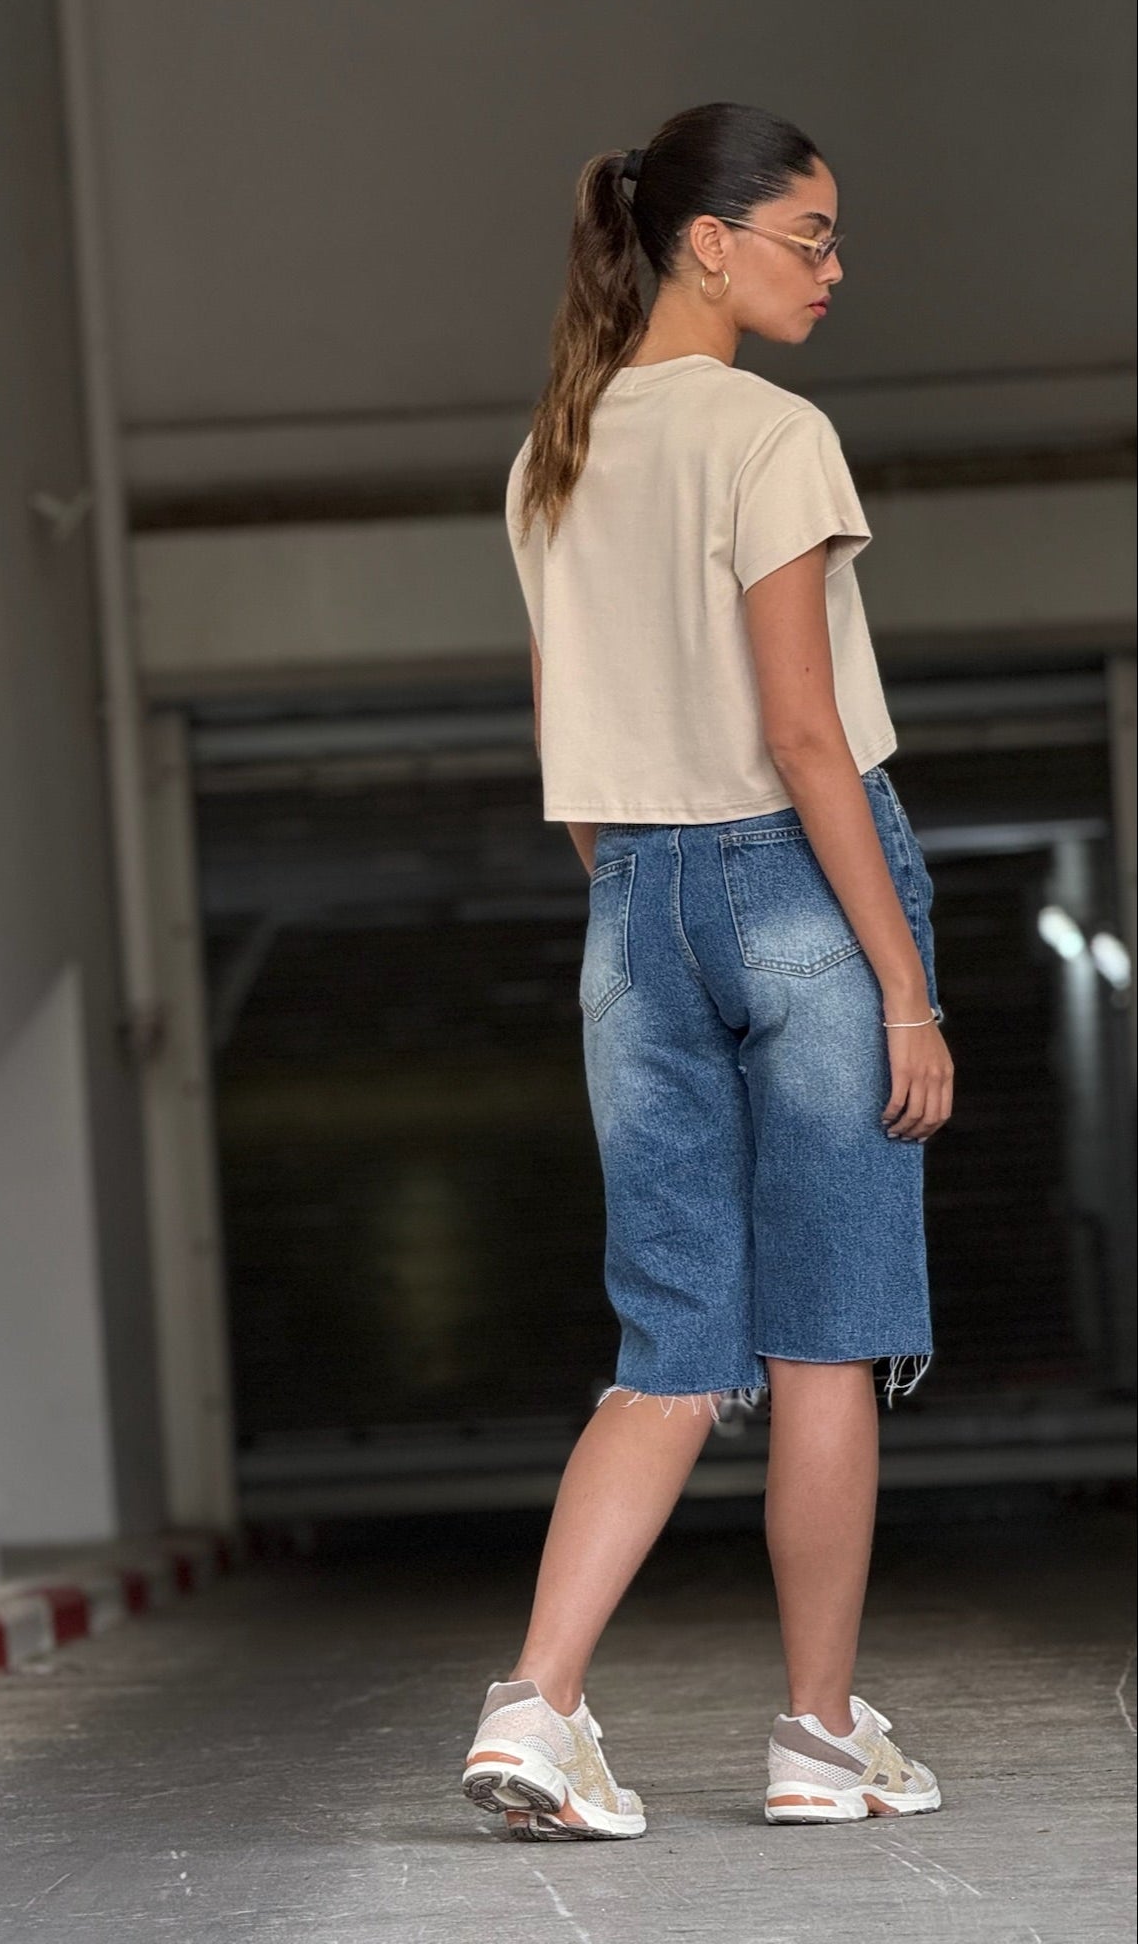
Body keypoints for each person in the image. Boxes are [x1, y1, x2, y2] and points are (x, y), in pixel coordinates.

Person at [461, 102, 954, 1841]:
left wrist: (645, 907)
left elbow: (570, 759)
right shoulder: (769, 434)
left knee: (668, 1345)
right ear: (706, 242)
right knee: (824, 1340)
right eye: (808, 236)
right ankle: (815, 1737)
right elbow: (803, 733)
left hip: (629, 900)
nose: (832, 268)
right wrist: (901, 990)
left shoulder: (551, 455)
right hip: (801, 889)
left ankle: (536, 1705)